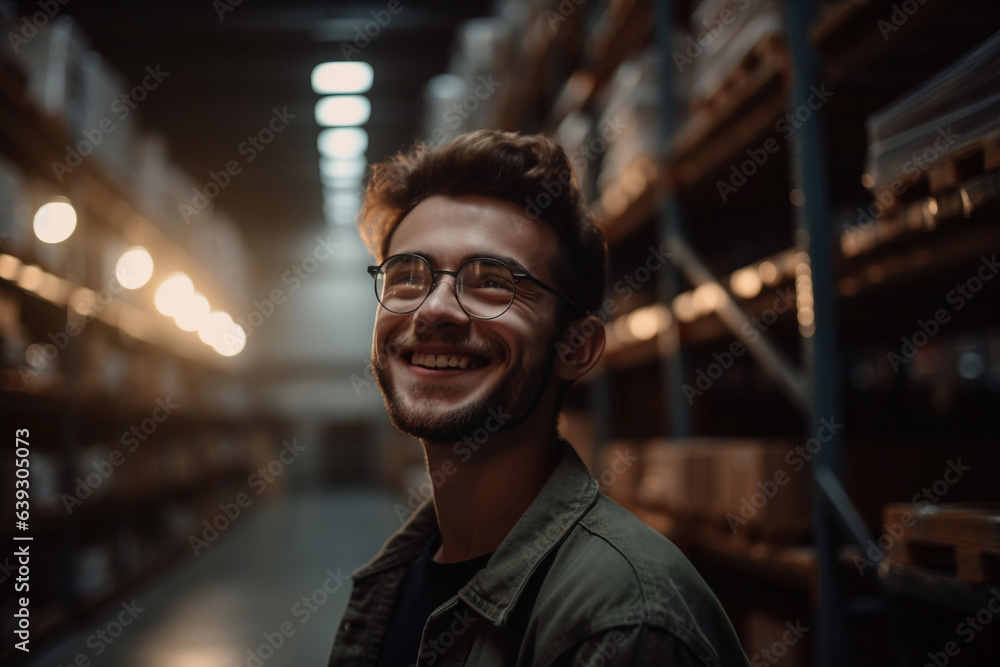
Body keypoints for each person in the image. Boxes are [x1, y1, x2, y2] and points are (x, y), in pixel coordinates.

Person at [328, 130, 750, 666]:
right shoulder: (401, 574)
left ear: (576, 346)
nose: (433, 309)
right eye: (407, 276)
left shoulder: (625, 623)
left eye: (493, 281)